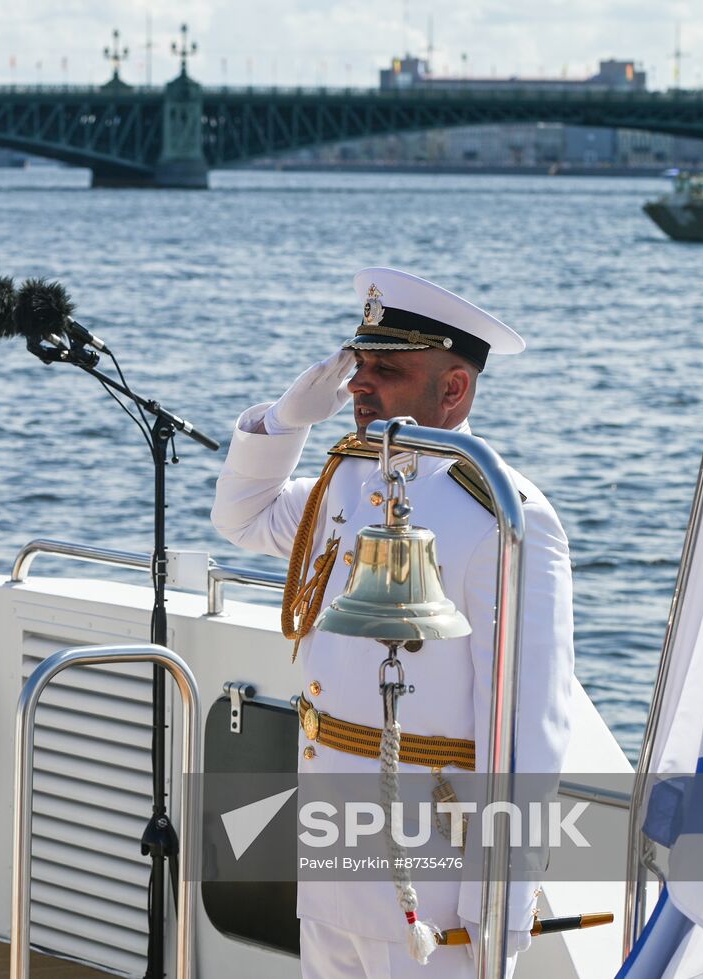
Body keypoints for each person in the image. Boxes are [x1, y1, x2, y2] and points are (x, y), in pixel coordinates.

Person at [211, 268, 574, 979]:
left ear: (454, 388)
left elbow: (529, 724)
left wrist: (497, 901)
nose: (357, 384)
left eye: (388, 370)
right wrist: (287, 421)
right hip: (332, 857)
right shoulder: (348, 475)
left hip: (432, 875)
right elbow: (241, 517)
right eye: (358, 365)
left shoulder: (503, 514)